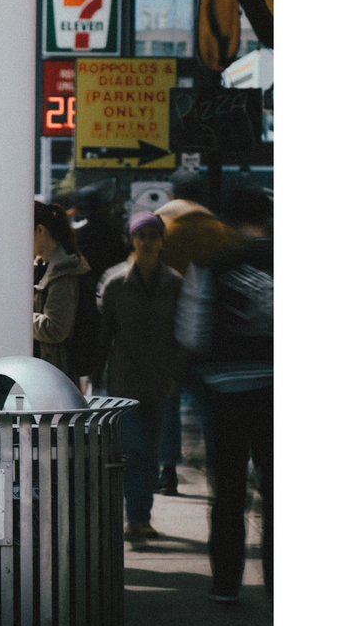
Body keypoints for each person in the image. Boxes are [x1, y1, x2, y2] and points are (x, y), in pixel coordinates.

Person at [176, 184, 273, 603]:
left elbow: (192, 332)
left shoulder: (211, 265)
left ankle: (226, 584)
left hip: (225, 393)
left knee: (229, 491)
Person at [95, 212, 183, 545]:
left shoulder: (174, 284)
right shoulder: (116, 283)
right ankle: (134, 516)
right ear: (132, 240)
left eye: (152, 235)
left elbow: (181, 335)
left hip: (161, 381)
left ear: (161, 241)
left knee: (151, 451)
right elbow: (105, 335)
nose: (146, 242)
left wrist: (177, 373)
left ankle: (140, 517)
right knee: (132, 450)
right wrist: (95, 375)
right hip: (124, 380)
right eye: (140, 235)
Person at [154, 169, 232, 494]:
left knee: (168, 402)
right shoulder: (219, 229)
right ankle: (218, 464)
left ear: (173, 193)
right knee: (208, 402)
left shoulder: (162, 224)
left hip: (167, 328)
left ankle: (168, 470)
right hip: (211, 330)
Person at [33, 200, 92, 378]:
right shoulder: (44, 265)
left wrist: (19, 317)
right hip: (48, 368)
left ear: (40, 231)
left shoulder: (63, 272)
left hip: (55, 372)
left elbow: (55, 328)